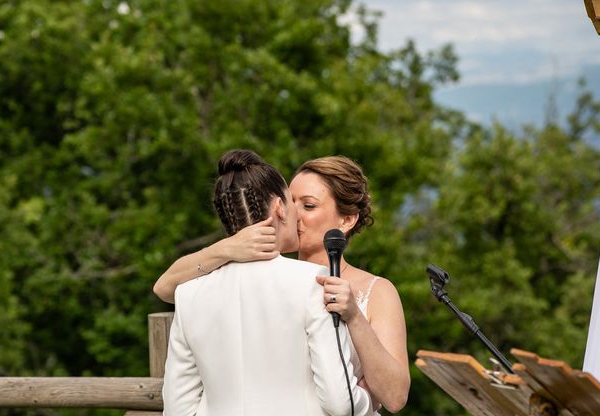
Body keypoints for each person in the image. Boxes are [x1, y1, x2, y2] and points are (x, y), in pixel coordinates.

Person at [156, 155, 410, 413]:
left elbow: (395, 398)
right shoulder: (296, 284)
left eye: (309, 206)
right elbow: (164, 287)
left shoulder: (377, 291)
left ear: (346, 220)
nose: (294, 214)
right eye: (291, 201)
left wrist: (354, 316)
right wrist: (227, 247)